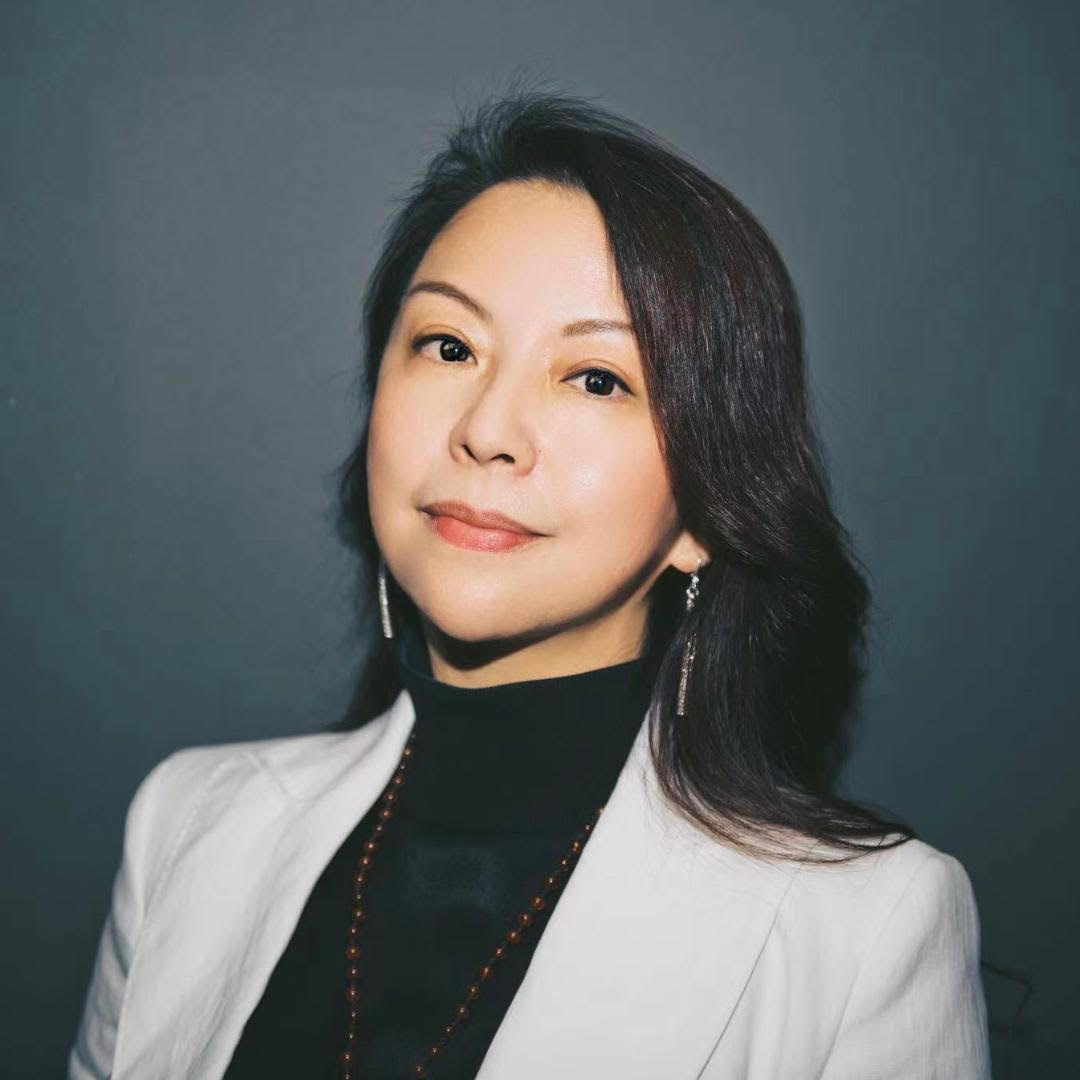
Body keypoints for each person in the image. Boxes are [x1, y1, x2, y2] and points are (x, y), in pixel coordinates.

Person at [68, 87, 992, 1079]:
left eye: (596, 378)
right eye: (449, 346)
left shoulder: (865, 926)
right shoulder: (188, 823)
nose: (488, 430)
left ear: (704, 512)